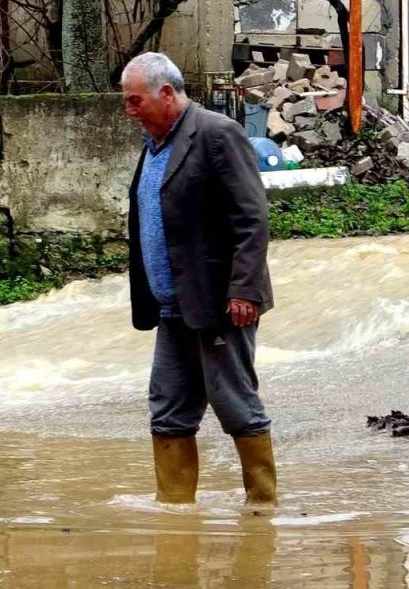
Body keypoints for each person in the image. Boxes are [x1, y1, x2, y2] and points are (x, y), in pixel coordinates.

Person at [119, 53, 277, 507]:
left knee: (235, 403)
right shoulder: (153, 145)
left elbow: (252, 218)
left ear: (167, 93)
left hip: (218, 302)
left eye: (135, 100)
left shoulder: (217, 133)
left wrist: (244, 289)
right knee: (168, 408)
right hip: (172, 306)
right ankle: (175, 513)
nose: (129, 110)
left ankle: (262, 509)